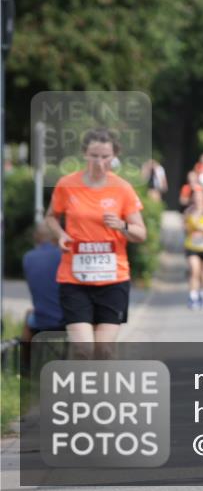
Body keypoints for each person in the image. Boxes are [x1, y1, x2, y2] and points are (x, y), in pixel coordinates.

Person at [45, 128, 147, 359]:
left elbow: (141, 233)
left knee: (104, 350)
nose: (99, 162)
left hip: (113, 279)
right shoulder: (67, 184)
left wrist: (121, 226)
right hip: (74, 278)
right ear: (84, 154)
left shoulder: (122, 189)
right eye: (94, 155)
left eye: (104, 156)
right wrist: (60, 234)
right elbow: (51, 217)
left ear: (114, 156)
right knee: (83, 349)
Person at [20, 223, 66, 372]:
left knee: (28, 315)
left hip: (41, 320)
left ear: (36, 237)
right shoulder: (65, 256)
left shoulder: (28, 258)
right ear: (56, 237)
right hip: (68, 320)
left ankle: (26, 367)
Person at [183, 186, 203, 309]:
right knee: (194, 270)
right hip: (192, 245)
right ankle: (193, 296)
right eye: (195, 197)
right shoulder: (188, 212)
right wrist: (188, 228)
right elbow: (185, 228)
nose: (197, 199)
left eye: (199, 197)